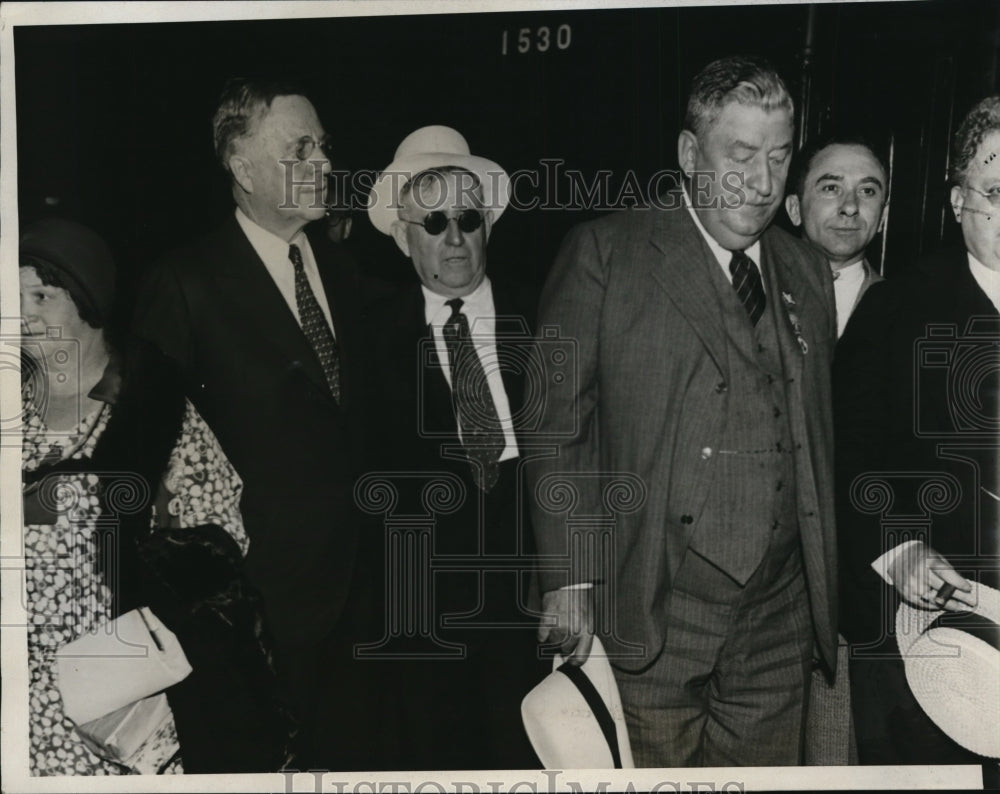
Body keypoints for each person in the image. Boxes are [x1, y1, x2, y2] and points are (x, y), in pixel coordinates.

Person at [527, 55, 839, 767]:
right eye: (740, 156)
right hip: (654, 603)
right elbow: (555, 425)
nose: (762, 183)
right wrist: (569, 582)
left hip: (779, 615)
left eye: (780, 156)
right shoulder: (605, 254)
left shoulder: (807, 270)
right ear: (689, 154)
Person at [129, 79, 378, 770]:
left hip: (357, 608)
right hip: (251, 619)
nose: (325, 161)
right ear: (242, 168)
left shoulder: (342, 267)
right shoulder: (185, 282)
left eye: (324, 144)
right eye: (302, 147)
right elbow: (138, 465)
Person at [19, 218, 280, 775]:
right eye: (11, 297)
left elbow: (221, 536)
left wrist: (145, 623)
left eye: (42, 295)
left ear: (87, 299)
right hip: (18, 690)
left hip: (116, 696)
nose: (24, 314)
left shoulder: (153, 412)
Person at [364, 125, 544, 769]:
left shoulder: (547, 311)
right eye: (433, 221)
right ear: (402, 235)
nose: (454, 237)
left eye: (468, 218)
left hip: (531, 604)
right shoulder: (370, 338)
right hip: (422, 616)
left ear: (489, 224)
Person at [834, 95, 1000, 768]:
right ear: (959, 199)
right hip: (928, 638)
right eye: (997, 190)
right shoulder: (898, 306)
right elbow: (844, 450)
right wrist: (898, 547)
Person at [785, 136, 889, 337]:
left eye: (867, 191)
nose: (850, 207)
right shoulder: (755, 290)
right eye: (831, 188)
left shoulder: (903, 310)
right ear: (795, 209)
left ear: (883, 216)